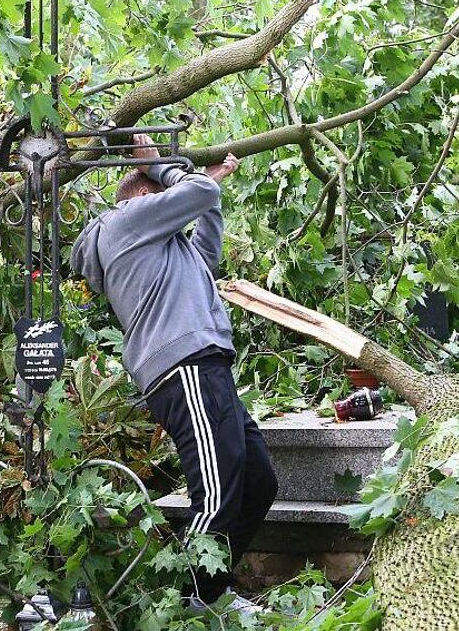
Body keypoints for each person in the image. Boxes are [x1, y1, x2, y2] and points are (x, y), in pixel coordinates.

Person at [70, 134, 278, 618]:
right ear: (147, 197)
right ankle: (185, 605)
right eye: (166, 194)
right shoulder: (123, 221)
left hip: (205, 364)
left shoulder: (164, 251)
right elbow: (196, 193)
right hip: (182, 367)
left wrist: (210, 189)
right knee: (216, 492)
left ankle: (212, 591)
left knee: (258, 480)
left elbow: (206, 252)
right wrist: (160, 163)